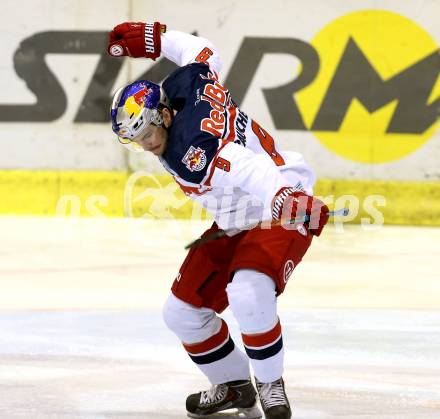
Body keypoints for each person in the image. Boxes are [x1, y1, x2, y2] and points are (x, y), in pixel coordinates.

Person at [108, 21, 329, 419]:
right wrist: (157, 39)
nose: (144, 144)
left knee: (248, 291)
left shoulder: (194, 151)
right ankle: (234, 385)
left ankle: (269, 384)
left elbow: (243, 167)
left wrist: (285, 197)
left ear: (162, 116)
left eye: (145, 132)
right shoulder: (189, 87)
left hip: (276, 205)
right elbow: (204, 52)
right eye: (133, 139)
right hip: (238, 217)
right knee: (181, 313)